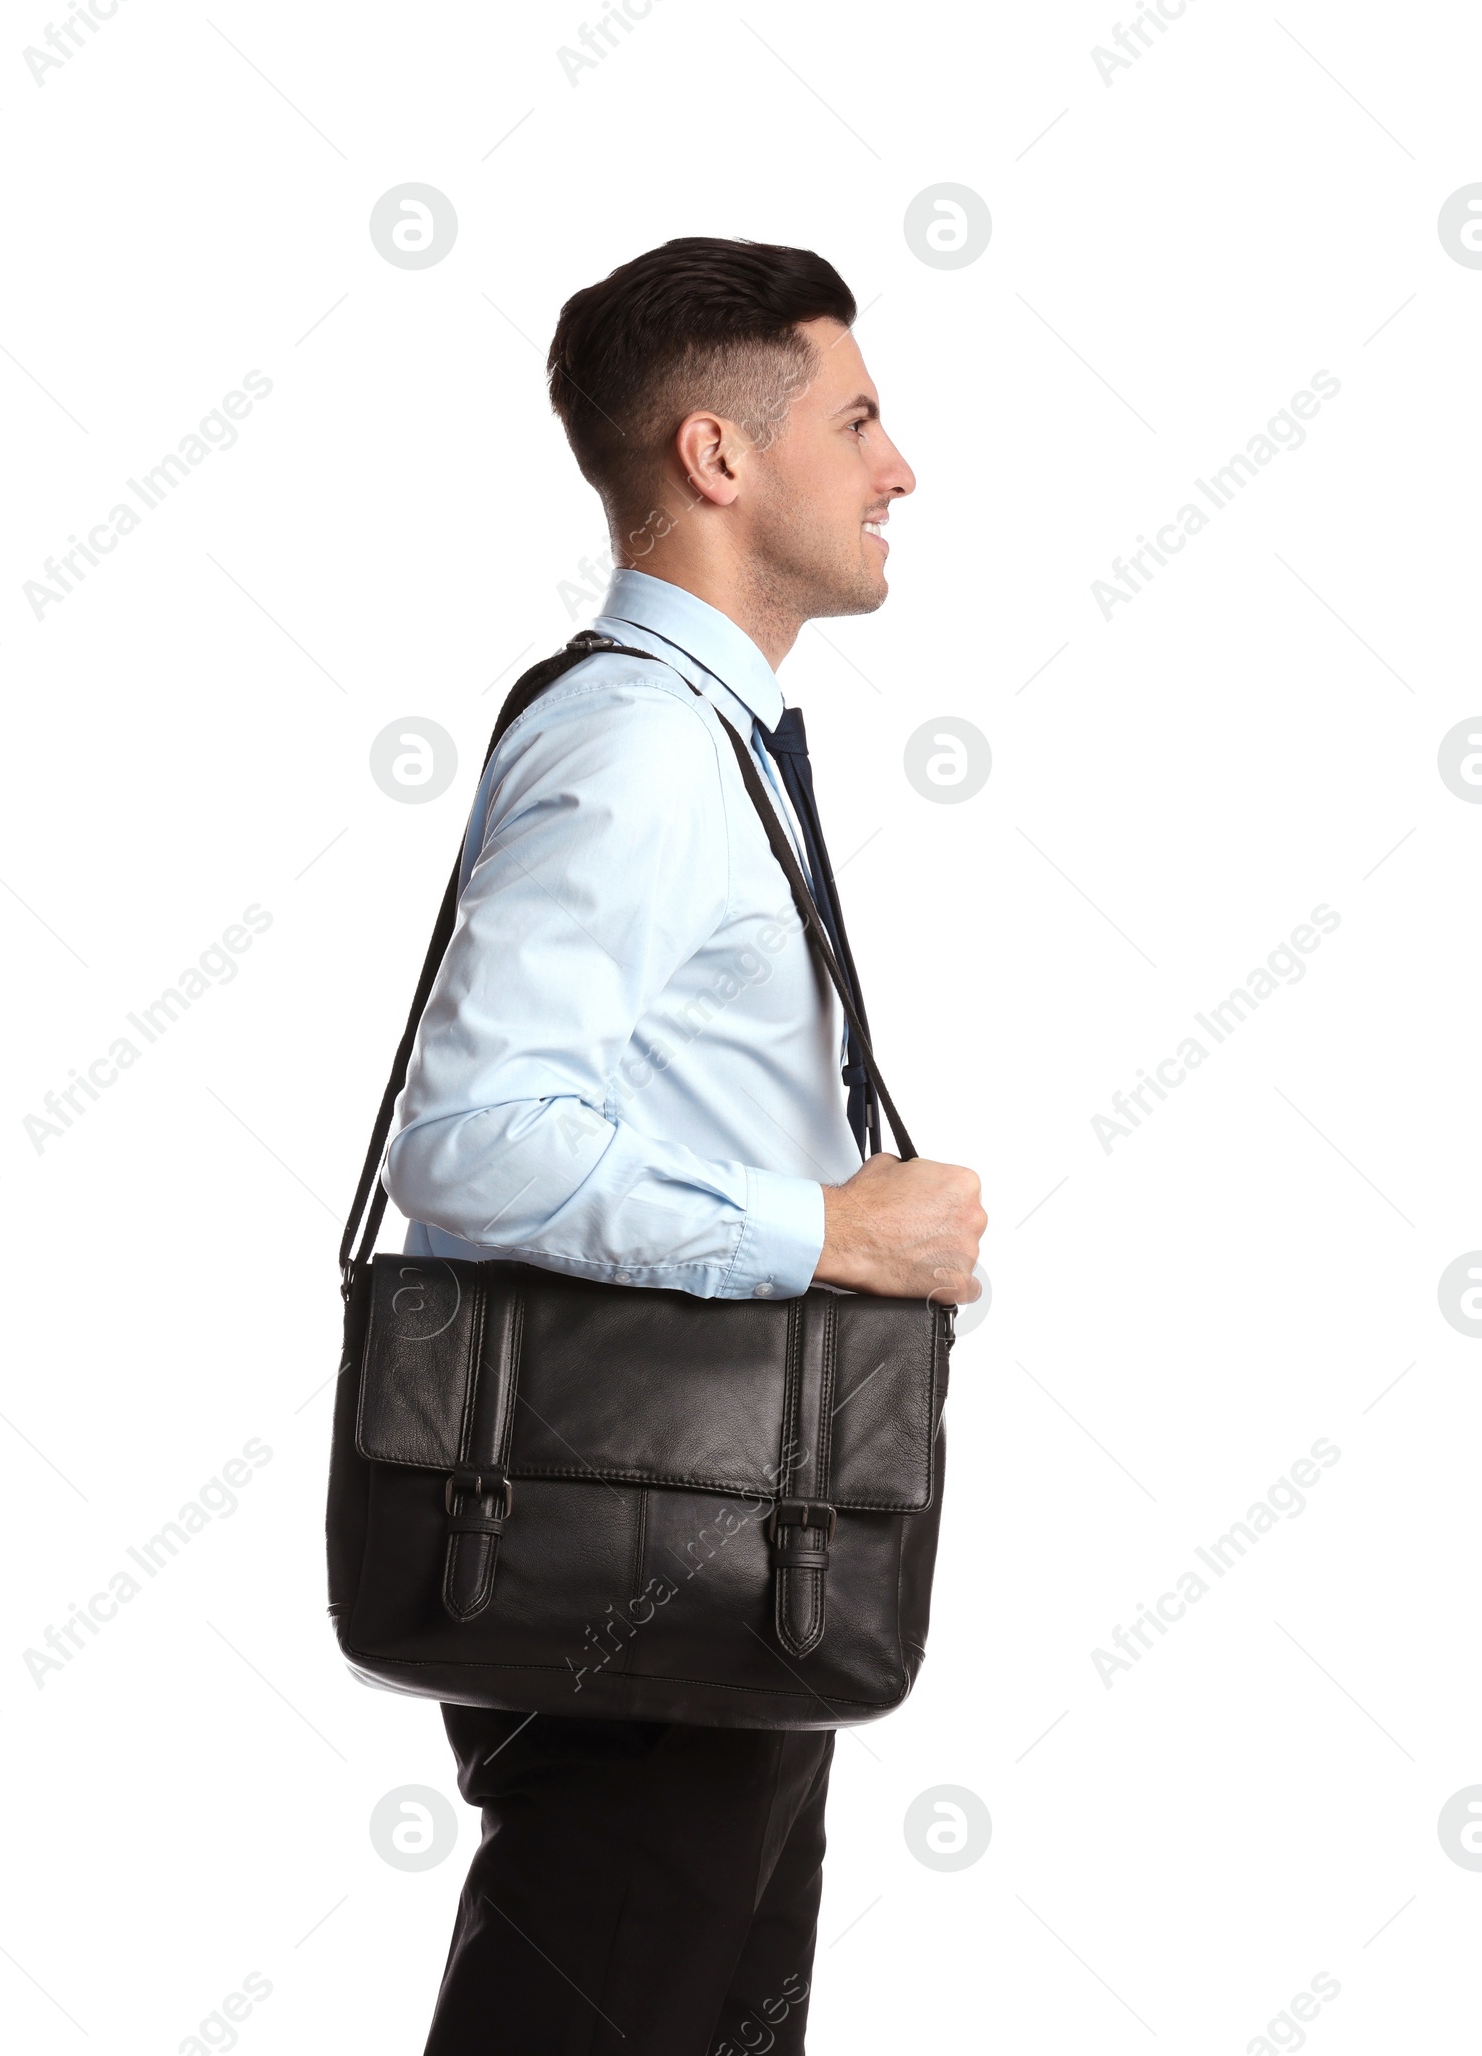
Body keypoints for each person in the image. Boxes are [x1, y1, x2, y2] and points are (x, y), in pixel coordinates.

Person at [381, 236, 986, 2056]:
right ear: (720, 458)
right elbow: (473, 1144)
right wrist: (827, 1234)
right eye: (861, 418)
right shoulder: (642, 748)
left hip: (719, 1550)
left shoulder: (710, 738)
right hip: (644, 1557)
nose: (901, 469)